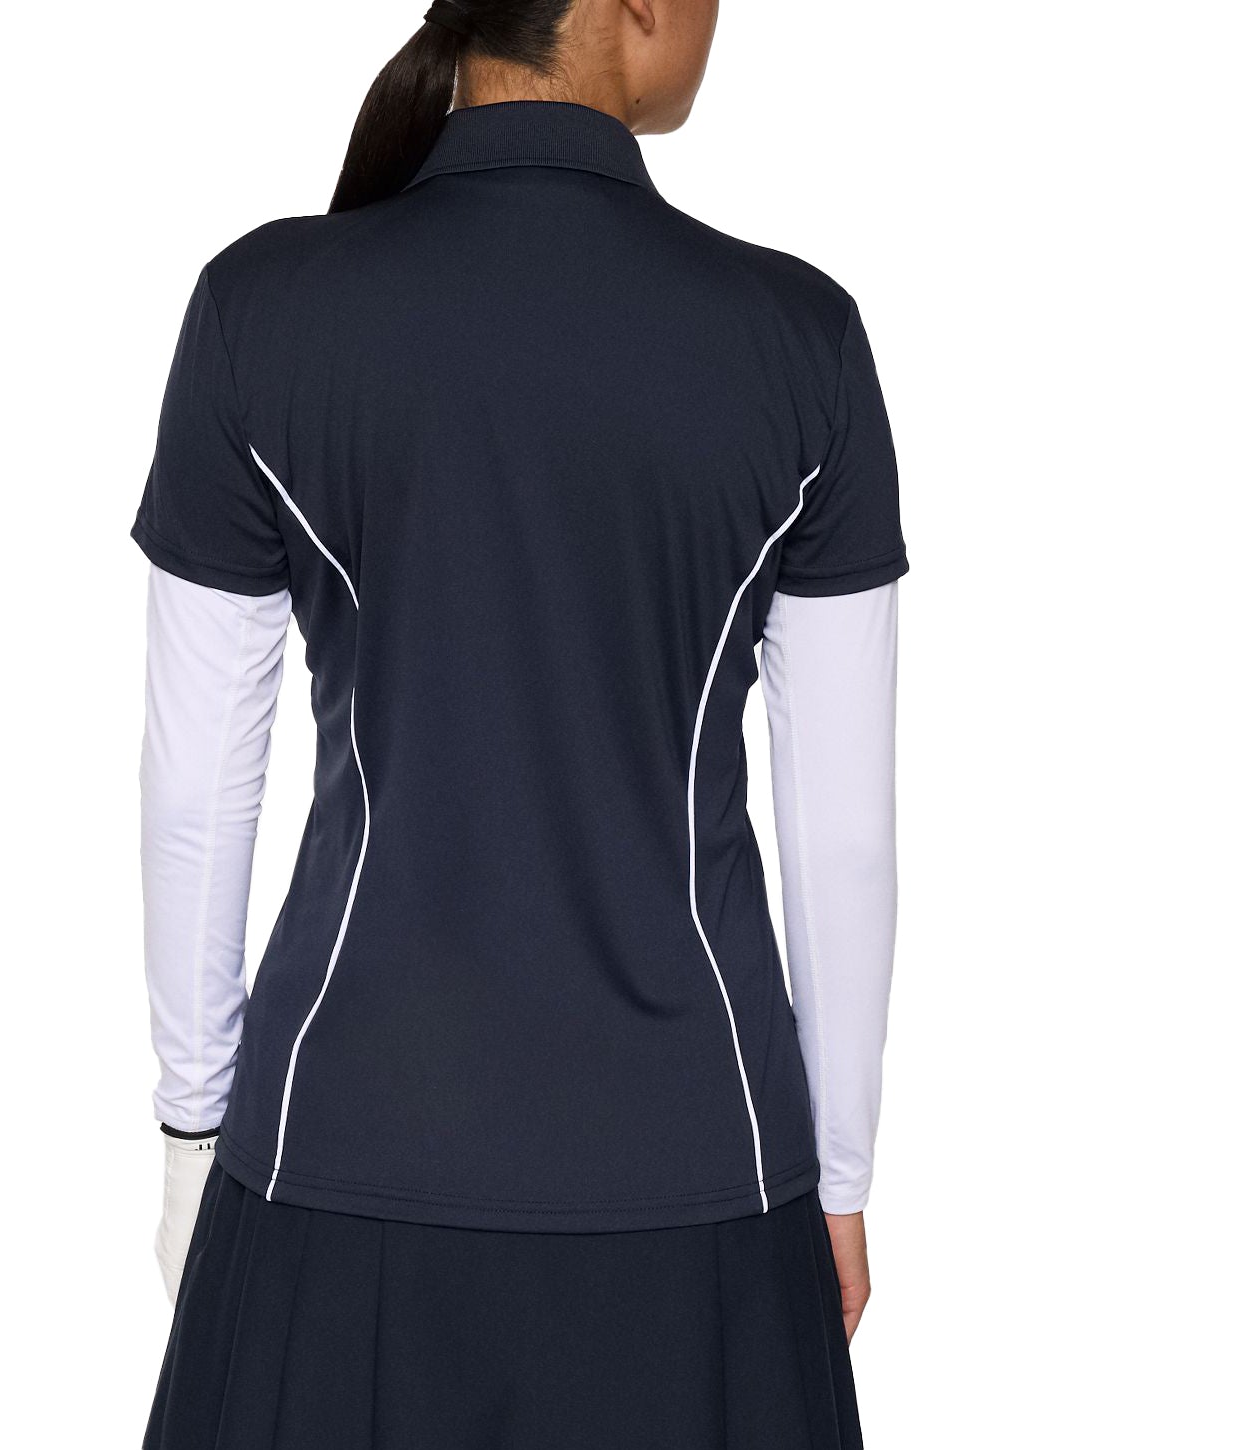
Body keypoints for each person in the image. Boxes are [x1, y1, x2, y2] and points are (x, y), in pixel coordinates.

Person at [133, 1, 906, 1445]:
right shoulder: (800, 339)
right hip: (703, 1170)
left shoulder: (261, 307)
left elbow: (195, 793)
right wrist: (841, 1179)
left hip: (333, 1157)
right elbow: (844, 834)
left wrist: (193, 1133)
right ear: (635, 5)